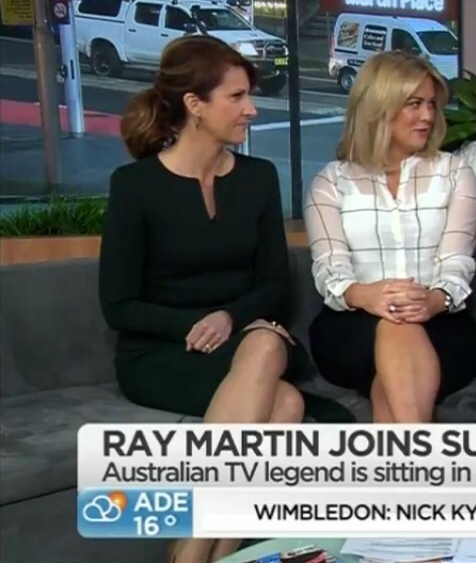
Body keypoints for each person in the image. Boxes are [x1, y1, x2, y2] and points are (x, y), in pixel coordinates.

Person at [98, 35, 354, 563]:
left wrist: (229, 318)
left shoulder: (258, 178)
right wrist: (198, 325)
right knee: (286, 404)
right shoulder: (135, 186)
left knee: (266, 348)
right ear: (195, 104)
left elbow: (275, 284)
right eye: (236, 97)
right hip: (162, 353)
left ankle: (193, 553)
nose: (251, 109)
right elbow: (119, 305)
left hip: (248, 342)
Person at [304, 50, 476, 424]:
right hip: (352, 323)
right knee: (394, 329)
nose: (428, 116)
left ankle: (402, 453)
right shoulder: (331, 182)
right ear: (378, 107)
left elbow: (457, 263)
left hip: (440, 320)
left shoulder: (454, 172)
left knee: (397, 350)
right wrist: (368, 296)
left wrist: (433, 299)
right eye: (414, 104)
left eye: (431, 104)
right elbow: (330, 270)